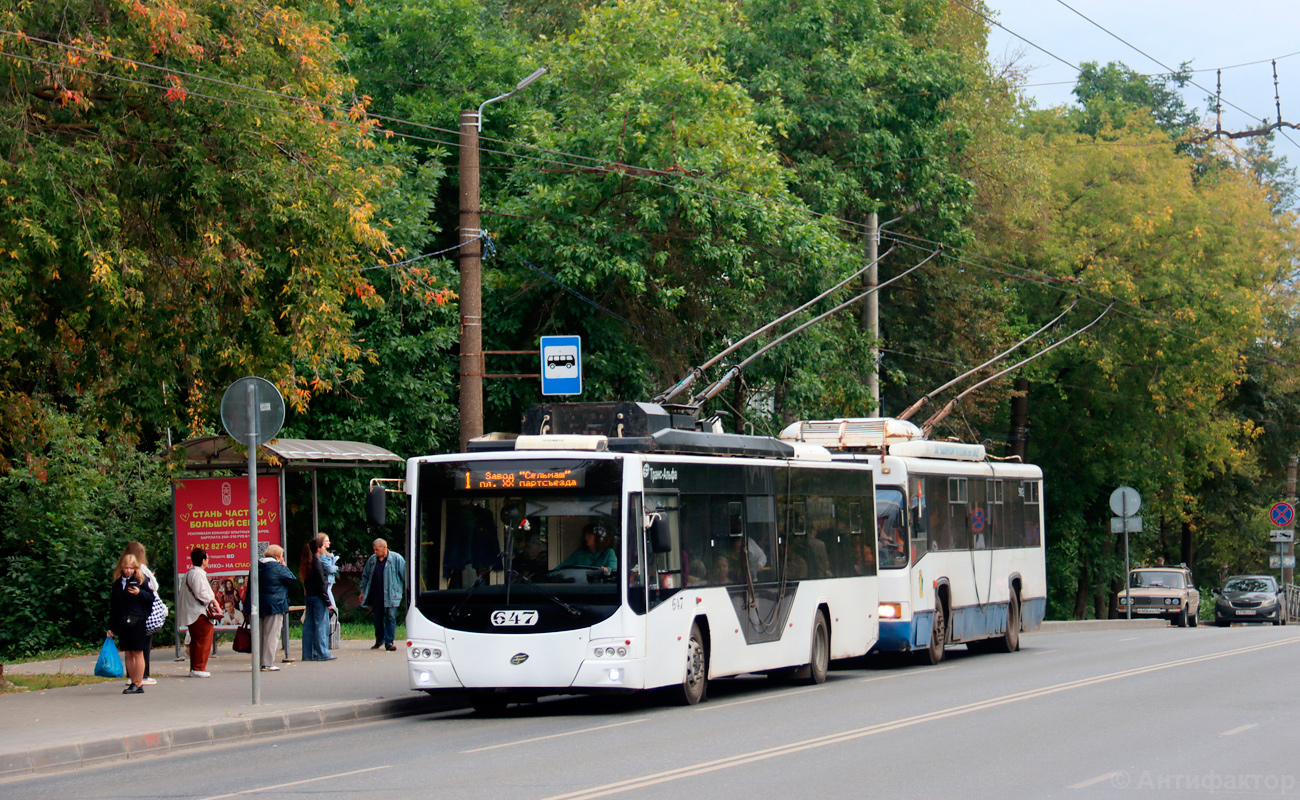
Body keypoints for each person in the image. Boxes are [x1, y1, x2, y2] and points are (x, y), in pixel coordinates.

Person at [108, 553, 155, 694]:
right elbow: (114, 606)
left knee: (138, 652)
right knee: (128, 652)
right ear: (121, 568)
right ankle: (132, 681)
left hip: (138, 620)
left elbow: (151, 598)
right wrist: (111, 626)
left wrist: (139, 593)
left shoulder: (141, 580)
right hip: (123, 621)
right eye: (126, 568)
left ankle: (138, 683)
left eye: (131, 568)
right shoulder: (117, 583)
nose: (128, 571)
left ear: (135, 568)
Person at [122, 541, 160, 686]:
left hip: (127, 615)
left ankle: (132, 677)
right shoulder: (142, 570)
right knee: (141, 648)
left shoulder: (123, 571)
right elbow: (153, 589)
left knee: (129, 651)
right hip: (141, 615)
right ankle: (142, 676)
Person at [361, 538, 407, 651]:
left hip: (392, 594)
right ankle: (379, 640)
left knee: (390, 617)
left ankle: (389, 642)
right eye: (374, 550)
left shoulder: (396, 559)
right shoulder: (372, 560)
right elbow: (365, 576)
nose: (375, 552)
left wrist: (407, 591)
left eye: (377, 550)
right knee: (377, 618)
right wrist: (363, 591)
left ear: (384, 548)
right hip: (377, 594)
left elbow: (406, 576)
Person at [257, 545, 297, 672]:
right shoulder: (278, 567)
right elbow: (292, 579)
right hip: (275, 605)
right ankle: (268, 663)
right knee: (272, 635)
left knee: (260, 635)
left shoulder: (256, 566)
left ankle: (260, 661)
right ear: (277, 557)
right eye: (282, 556)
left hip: (259, 605)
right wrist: (284, 566)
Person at [178, 547, 216, 678]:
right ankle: (199, 667)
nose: (208, 560)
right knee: (203, 640)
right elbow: (201, 593)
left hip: (191, 611)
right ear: (203, 560)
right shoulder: (198, 574)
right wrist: (213, 601)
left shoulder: (190, 573)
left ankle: (195, 667)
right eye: (208, 558)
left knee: (196, 641)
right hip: (199, 612)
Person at [300, 536, 335, 661]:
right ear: (319, 548)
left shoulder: (307, 561)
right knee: (321, 624)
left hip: (309, 596)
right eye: (323, 547)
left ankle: (308, 654)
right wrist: (328, 602)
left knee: (309, 625)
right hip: (319, 598)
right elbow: (321, 585)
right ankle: (323, 653)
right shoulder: (318, 563)